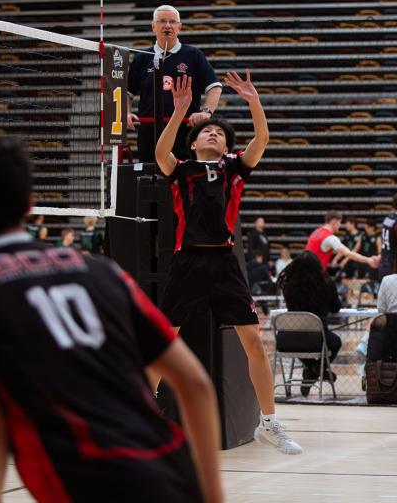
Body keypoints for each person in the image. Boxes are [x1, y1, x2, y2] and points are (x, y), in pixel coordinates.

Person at [0, 128, 222, 503]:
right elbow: (195, 384)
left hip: (84, 482)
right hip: (174, 477)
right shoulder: (102, 271)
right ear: (30, 204)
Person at [154, 70, 302, 455]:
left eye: (220, 133)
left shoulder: (235, 167)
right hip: (187, 262)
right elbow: (160, 154)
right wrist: (180, 111)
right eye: (207, 131)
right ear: (195, 141)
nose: (214, 133)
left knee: (254, 342)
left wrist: (253, 100)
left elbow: (262, 139)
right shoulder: (181, 169)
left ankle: (268, 423)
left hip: (224, 263)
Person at [126, 5, 223, 162]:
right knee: (149, 180)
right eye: (162, 21)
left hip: (185, 131)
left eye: (172, 21)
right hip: (150, 133)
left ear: (179, 27)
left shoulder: (194, 55)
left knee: (185, 180)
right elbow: (127, 93)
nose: (167, 25)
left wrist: (206, 112)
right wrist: (126, 112)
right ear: (153, 26)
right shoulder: (142, 57)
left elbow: (215, 88)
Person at [276, 251, 343, 397]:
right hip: (317, 339)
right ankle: (317, 370)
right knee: (335, 342)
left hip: (288, 339)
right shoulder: (326, 284)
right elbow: (336, 307)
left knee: (302, 343)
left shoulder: (288, 286)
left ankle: (311, 369)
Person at [305, 211, 379, 278]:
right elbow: (349, 254)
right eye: (339, 222)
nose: (340, 225)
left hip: (306, 271)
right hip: (313, 275)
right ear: (334, 222)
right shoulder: (330, 238)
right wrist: (368, 260)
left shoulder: (316, 231)